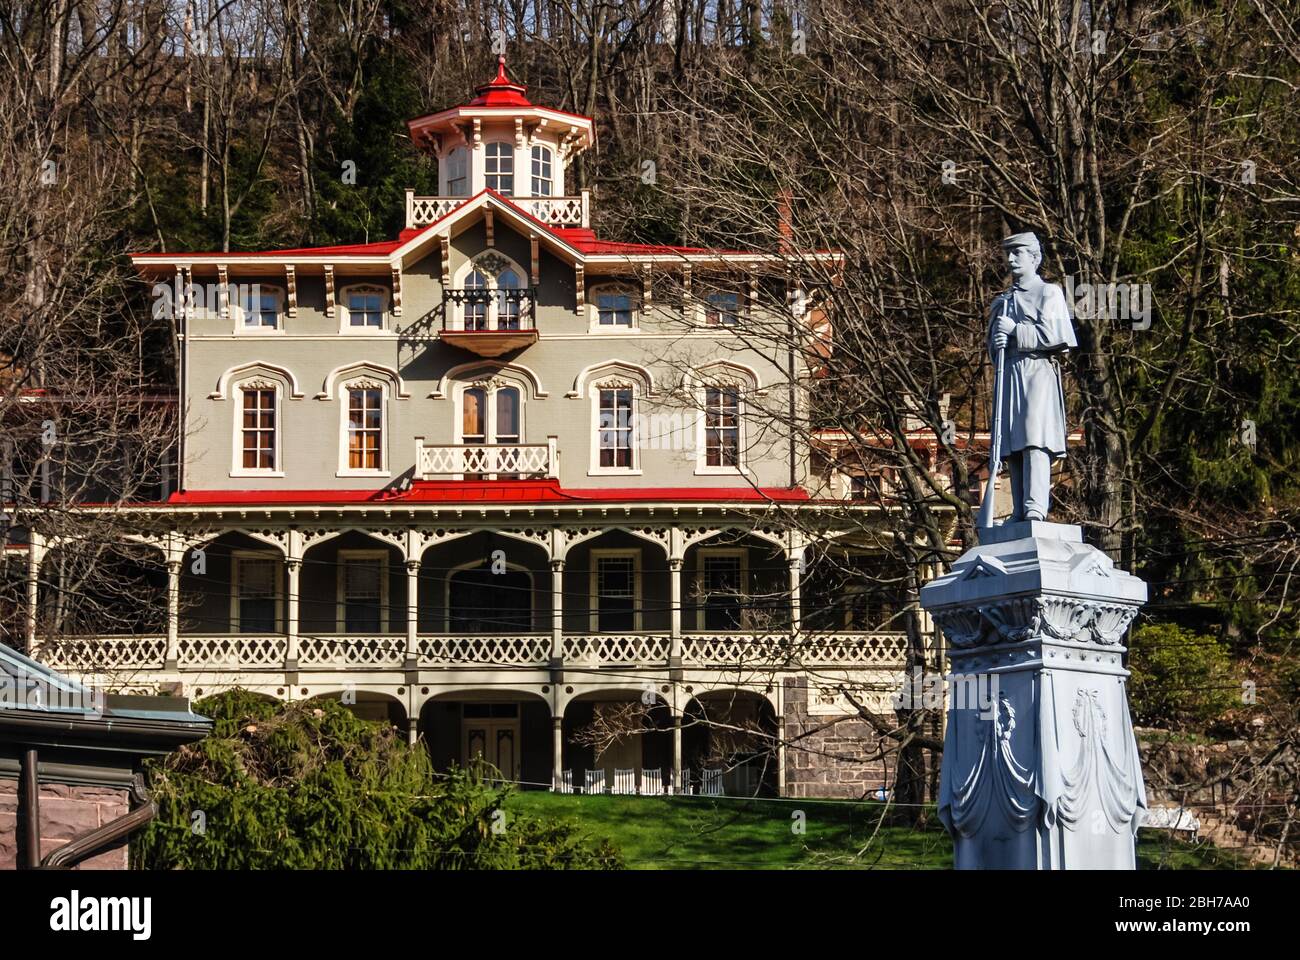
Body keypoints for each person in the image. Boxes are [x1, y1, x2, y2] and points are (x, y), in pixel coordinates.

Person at [988, 232, 1077, 522]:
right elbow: (994, 348)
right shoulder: (1002, 302)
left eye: (1019, 253)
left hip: (1037, 372)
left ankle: (1035, 506)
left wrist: (1015, 330)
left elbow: (1056, 335)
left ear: (1034, 258)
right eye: (1009, 254)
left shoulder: (1048, 293)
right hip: (1010, 372)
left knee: (1034, 438)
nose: (1012, 260)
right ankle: (1018, 509)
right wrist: (997, 339)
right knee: (1012, 443)